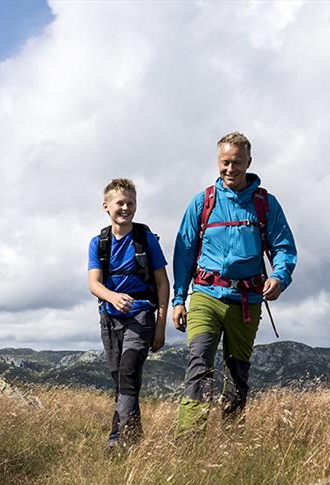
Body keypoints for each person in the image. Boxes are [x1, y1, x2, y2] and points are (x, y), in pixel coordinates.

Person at [171, 132, 297, 432]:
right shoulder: (203, 202)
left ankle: (231, 437)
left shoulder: (265, 204)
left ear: (249, 162)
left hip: (246, 301)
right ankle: (190, 438)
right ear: (218, 161)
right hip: (205, 296)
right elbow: (184, 253)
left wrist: (280, 277)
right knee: (199, 365)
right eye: (225, 163)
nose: (230, 169)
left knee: (236, 372)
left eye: (237, 163)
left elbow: (283, 247)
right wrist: (178, 300)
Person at [87, 178, 169, 448]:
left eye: (130, 203)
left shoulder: (146, 238)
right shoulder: (99, 243)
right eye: (119, 203)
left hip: (142, 315)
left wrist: (160, 326)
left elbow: (162, 283)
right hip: (110, 318)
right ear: (106, 206)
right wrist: (112, 297)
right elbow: (93, 284)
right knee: (119, 378)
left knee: (128, 371)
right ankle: (133, 437)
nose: (125, 208)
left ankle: (116, 438)